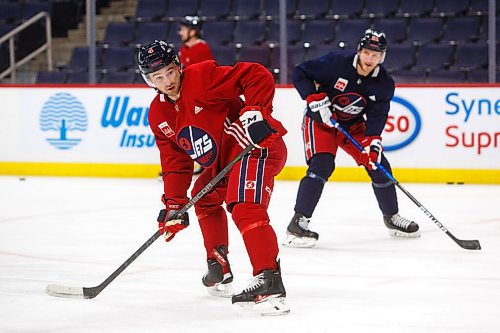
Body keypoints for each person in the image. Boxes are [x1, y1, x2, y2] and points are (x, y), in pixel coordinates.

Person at [137, 40, 289, 315]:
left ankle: (269, 281)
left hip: (253, 147)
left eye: (170, 71)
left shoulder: (201, 78)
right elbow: (175, 161)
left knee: (244, 206)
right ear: (149, 80)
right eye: (157, 77)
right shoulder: (158, 113)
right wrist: (174, 204)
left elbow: (255, 74)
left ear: (178, 66)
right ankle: (218, 264)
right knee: (204, 198)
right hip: (225, 163)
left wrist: (255, 112)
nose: (167, 81)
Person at [284, 29, 420, 248]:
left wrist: (372, 141)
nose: (369, 58)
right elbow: (300, 72)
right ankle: (298, 223)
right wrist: (313, 98)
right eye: (367, 52)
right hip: (321, 121)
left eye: (375, 55)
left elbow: (377, 116)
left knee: (377, 164)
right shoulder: (335, 63)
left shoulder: (384, 83)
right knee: (322, 164)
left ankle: (392, 217)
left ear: (382, 57)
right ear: (359, 51)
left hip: (352, 125)